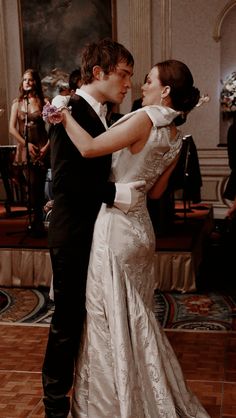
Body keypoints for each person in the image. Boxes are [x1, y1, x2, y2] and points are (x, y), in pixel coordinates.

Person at [53, 60, 210, 417]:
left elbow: (91, 149)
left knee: (108, 317)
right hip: (141, 230)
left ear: (166, 90)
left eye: (149, 79)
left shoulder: (145, 118)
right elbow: (155, 194)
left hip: (116, 228)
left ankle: (115, 404)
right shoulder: (176, 135)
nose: (141, 85)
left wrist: (64, 116)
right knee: (137, 318)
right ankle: (146, 390)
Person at [42, 38, 145, 418]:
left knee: (91, 318)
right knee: (67, 322)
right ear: (98, 72)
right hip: (74, 233)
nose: (128, 84)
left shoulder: (100, 113)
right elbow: (66, 181)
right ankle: (54, 407)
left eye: (132, 76)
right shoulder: (67, 110)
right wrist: (116, 193)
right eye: (123, 74)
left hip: (96, 233)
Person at [9, 68, 50, 237]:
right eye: (25, 79)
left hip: (42, 147)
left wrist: (46, 147)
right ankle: (34, 222)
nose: (27, 82)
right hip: (26, 149)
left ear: (36, 82)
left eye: (31, 79)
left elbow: (55, 126)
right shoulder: (17, 103)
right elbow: (11, 128)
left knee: (39, 187)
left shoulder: (44, 101)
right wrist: (25, 145)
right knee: (31, 187)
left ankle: (39, 223)